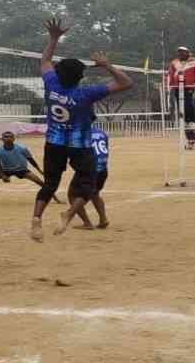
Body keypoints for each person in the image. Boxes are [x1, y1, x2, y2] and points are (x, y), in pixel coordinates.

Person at [31, 18, 132, 243]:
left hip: (54, 142)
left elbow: (45, 60)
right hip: (79, 145)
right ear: (80, 78)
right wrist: (106, 65)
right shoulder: (86, 94)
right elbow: (125, 82)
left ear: (58, 74)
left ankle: (36, 219)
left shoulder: (51, 84)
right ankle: (68, 213)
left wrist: (54, 38)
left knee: (50, 184)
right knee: (88, 185)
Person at [0, 131, 62, 204]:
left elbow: (30, 159)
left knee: (41, 183)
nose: (8, 138)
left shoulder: (22, 148)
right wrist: (3, 176)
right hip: (6, 170)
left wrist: (39, 170)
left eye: (10, 137)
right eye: (5, 137)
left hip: (22, 170)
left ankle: (55, 198)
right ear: (2, 139)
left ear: (14, 139)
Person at [68, 114, 110, 230]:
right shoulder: (102, 133)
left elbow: (74, 154)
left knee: (72, 196)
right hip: (102, 168)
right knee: (95, 194)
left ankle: (87, 223)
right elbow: (105, 150)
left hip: (88, 169)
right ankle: (103, 219)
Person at [168, 46, 195, 124]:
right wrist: (169, 85)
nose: (180, 54)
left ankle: (193, 119)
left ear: (188, 53)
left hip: (189, 86)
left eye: (183, 52)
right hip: (177, 86)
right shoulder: (174, 62)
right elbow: (171, 74)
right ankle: (187, 120)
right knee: (180, 104)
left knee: (188, 103)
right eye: (179, 52)